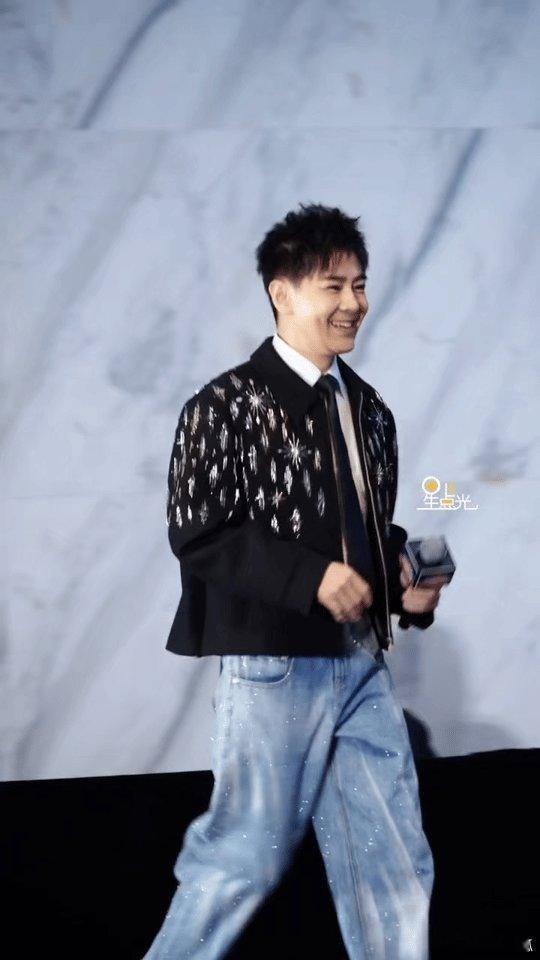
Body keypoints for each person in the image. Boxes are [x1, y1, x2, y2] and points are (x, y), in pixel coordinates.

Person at [143, 203, 449, 959]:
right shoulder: (223, 406)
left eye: (360, 284)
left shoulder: (369, 409)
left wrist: (403, 584)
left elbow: (361, 529)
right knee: (239, 861)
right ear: (282, 293)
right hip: (274, 668)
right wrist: (311, 578)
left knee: (392, 861)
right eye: (333, 286)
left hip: (361, 663)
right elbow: (199, 531)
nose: (354, 303)